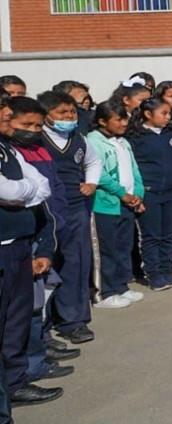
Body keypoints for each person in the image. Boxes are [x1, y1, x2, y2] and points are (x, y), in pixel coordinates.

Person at [0, 95, 62, 416]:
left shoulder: (8, 149)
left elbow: (42, 187)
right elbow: (8, 191)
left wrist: (20, 192)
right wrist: (21, 191)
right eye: (6, 115)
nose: (9, 120)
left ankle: (15, 383)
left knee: (17, 320)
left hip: (20, 246)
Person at [7, 98, 75, 385]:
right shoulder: (10, 152)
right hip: (21, 238)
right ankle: (30, 367)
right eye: (25, 125)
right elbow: (15, 192)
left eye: (37, 125)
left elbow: (45, 188)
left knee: (43, 293)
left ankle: (41, 347)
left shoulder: (34, 151)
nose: (33, 130)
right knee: (28, 307)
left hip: (47, 226)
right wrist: (29, 190)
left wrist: (31, 191)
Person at [36, 91, 103, 339]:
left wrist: (92, 183)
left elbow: (94, 162)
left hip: (75, 208)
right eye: (62, 113)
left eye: (72, 112)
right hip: (46, 211)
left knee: (76, 262)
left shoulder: (79, 139)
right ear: (46, 116)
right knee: (46, 264)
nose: (69, 117)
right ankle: (43, 324)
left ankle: (74, 321)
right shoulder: (37, 139)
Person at [85, 101, 145, 311]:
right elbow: (98, 174)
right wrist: (122, 194)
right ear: (102, 121)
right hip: (106, 205)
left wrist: (137, 194)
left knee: (123, 247)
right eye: (118, 119)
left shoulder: (123, 142)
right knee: (106, 249)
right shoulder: (93, 141)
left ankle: (121, 285)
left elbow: (134, 169)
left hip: (127, 204)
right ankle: (104, 291)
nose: (123, 123)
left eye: (125, 119)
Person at [127, 98, 172, 291]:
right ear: (148, 114)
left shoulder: (170, 134)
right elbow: (133, 166)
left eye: (168, 113)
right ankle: (154, 274)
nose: (168, 117)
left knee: (168, 234)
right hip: (150, 193)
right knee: (151, 235)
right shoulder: (136, 137)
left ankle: (168, 270)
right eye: (163, 113)